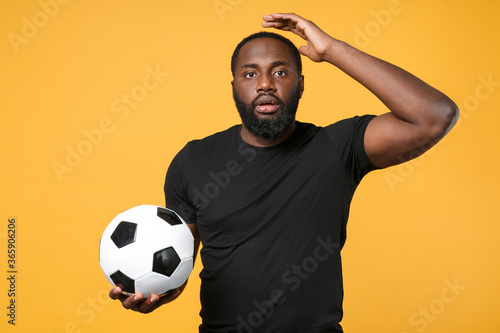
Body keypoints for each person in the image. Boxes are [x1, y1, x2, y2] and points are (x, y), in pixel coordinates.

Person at [109, 13, 458, 332]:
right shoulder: (193, 160)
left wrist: (332, 49)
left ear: (301, 84)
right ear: (234, 87)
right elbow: (178, 261)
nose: (265, 84)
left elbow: (435, 116)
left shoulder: (338, 148)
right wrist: (158, 291)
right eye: (250, 73)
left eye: (280, 71)